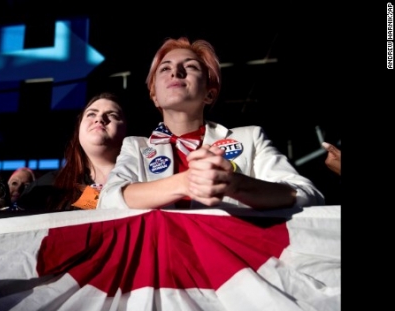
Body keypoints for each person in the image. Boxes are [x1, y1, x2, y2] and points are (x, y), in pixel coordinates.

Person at [98, 37, 324, 211]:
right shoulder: (135, 146)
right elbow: (107, 201)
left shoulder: (250, 137)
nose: (176, 72)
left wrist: (235, 185)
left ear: (209, 93)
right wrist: (185, 183)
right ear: (154, 95)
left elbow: (307, 194)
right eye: (165, 68)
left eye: (191, 67)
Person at [16, 92, 128, 211]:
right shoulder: (44, 188)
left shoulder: (144, 180)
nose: (99, 119)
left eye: (113, 115)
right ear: (78, 129)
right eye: (91, 114)